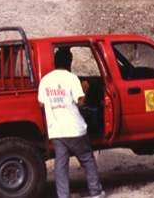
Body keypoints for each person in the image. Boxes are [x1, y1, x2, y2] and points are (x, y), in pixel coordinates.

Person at [38, 48, 106, 198]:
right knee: (87, 160)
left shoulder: (45, 80)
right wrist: (84, 90)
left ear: (55, 62)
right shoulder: (72, 78)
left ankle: (63, 196)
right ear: (70, 63)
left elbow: (41, 104)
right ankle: (96, 192)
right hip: (75, 130)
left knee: (61, 166)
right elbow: (81, 102)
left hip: (57, 131)